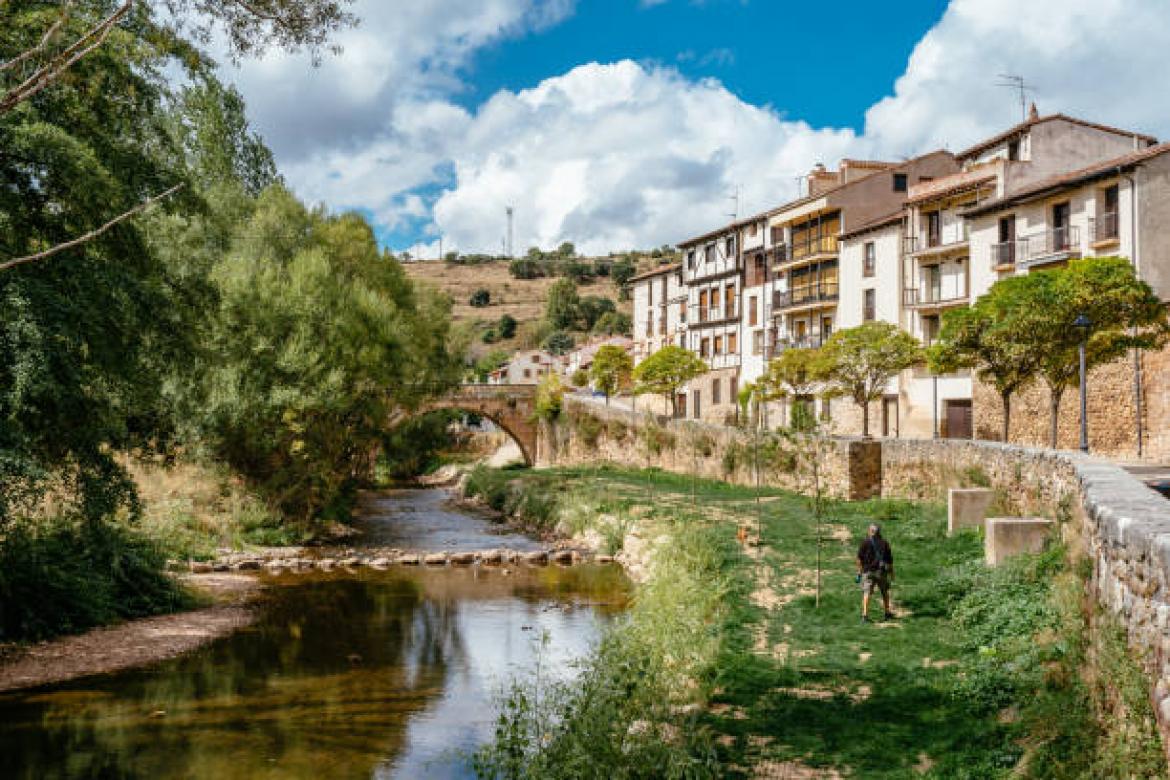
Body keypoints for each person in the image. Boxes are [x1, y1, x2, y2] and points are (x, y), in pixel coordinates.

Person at [856, 524, 894, 623]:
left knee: (867, 592)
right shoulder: (885, 543)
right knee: (884, 592)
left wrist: (859, 572)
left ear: (870, 531)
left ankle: (865, 615)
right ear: (879, 532)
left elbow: (859, 559)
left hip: (868, 572)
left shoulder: (864, 542)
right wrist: (891, 573)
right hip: (881, 572)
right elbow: (889, 560)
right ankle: (887, 612)